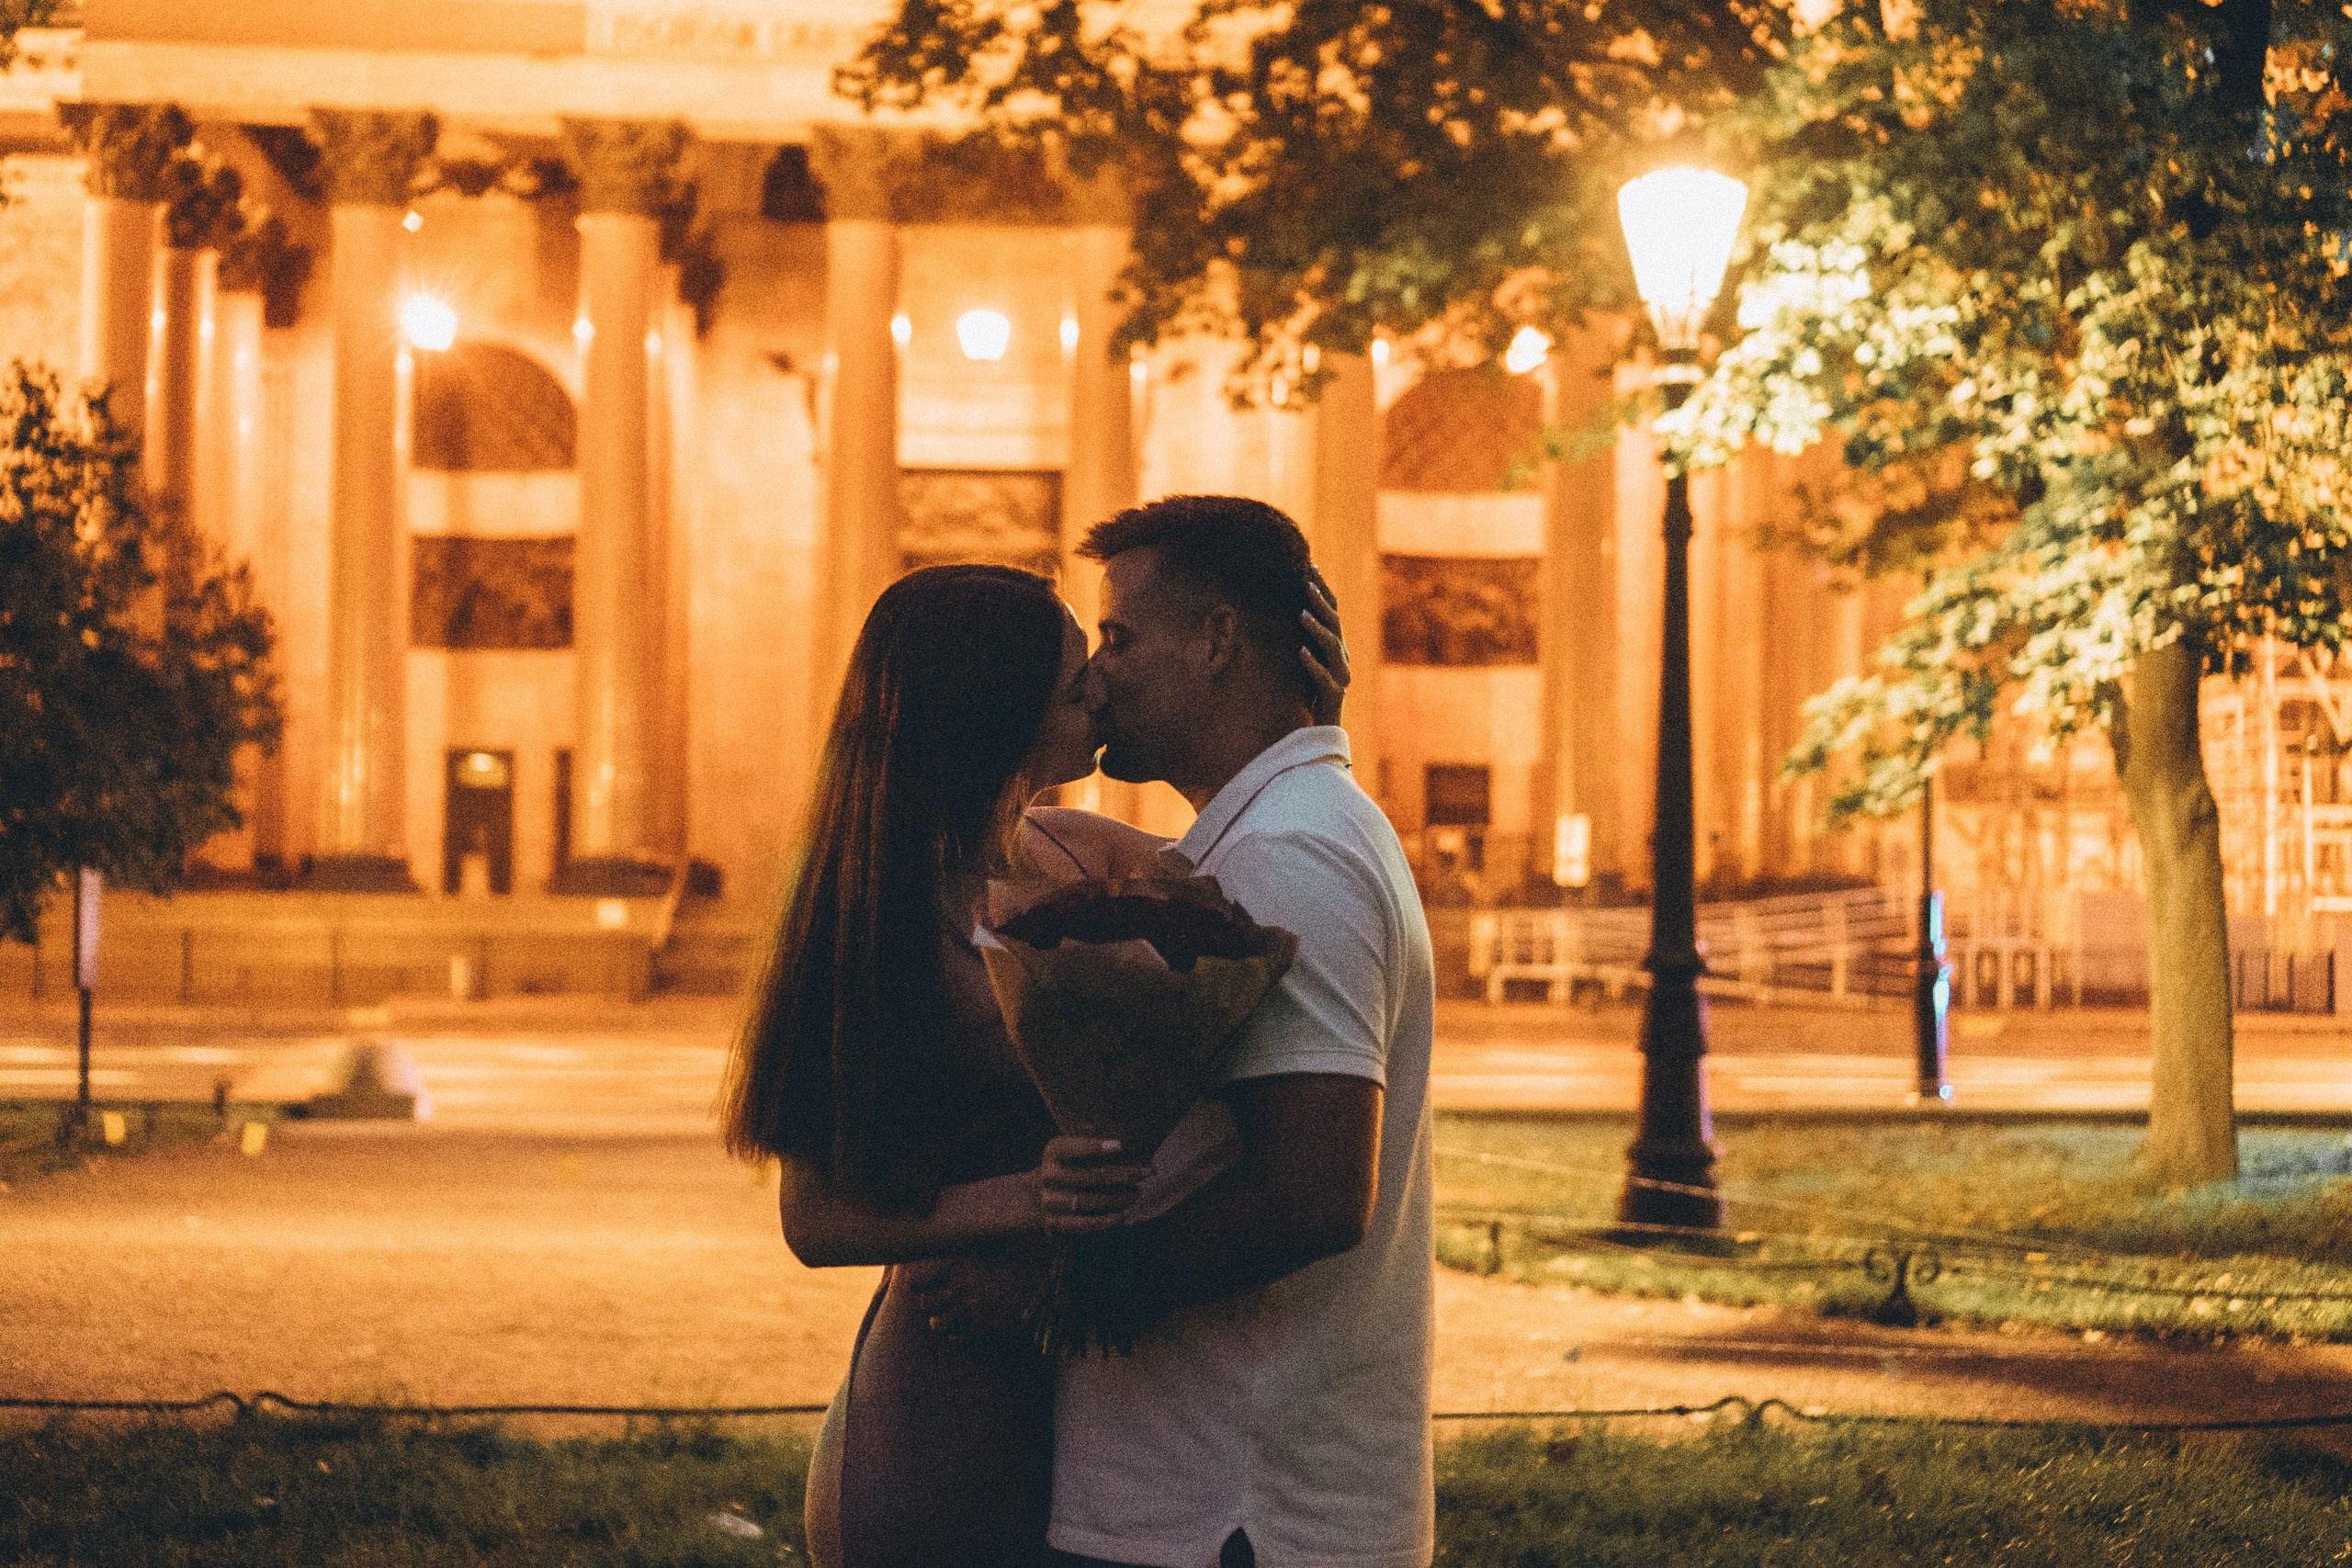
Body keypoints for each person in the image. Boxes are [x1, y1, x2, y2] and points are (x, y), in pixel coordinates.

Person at [720, 560, 1351, 1568]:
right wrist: (1033, 1201)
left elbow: (1249, 862)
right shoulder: (878, 919)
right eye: (1072, 683)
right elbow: (816, 1218)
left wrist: (1290, 712)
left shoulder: (1071, 853)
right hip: (949, 1399)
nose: (1101, 685)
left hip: (1081, 1383)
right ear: (993, 715)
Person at [1045, 496, 1438, 1568]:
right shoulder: (1277, 833)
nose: (1097, 673)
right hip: (1225, 1501)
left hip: (1233, 1510)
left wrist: (1069, 1292)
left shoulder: (1289, 856)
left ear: (1217, 640)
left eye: (1118, 637)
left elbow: (1309, 1192)